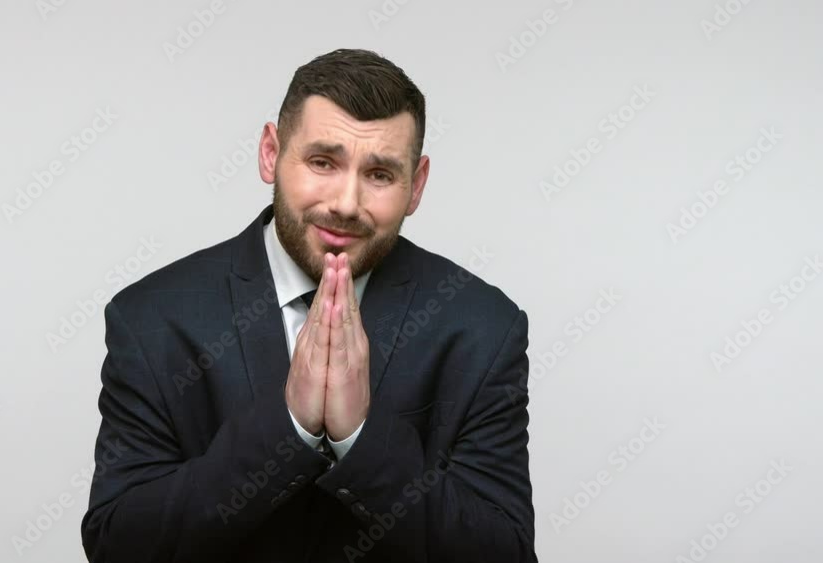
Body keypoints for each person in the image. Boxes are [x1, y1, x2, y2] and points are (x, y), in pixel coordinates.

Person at [80, 48, 537, 563]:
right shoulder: (151, 319)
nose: (345, 203)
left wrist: (361, 437)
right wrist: (288, 426)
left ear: (417, 185)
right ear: (270, 154)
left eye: (380, 174)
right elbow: (118, 545)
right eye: (323, 162)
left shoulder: (484, 329)